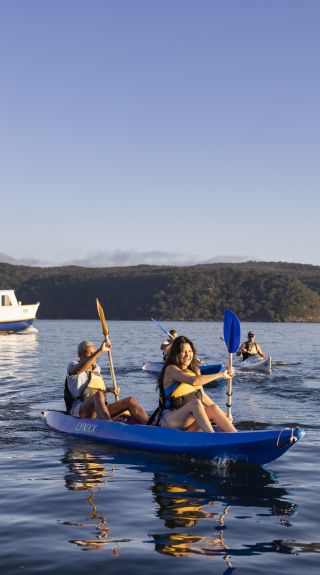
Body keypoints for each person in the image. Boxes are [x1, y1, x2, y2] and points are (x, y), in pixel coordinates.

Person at [154, 335, 237, 433]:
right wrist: (221, 374)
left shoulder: (195, 370)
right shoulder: (171, 369)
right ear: (176, 354)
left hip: (190, 422)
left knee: (213, 408)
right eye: (183, 351)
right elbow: (193, 381)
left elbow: (202, 396)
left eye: (190, 351)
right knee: (195, 403)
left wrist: (224, 415)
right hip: (171, 420)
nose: (188, 355)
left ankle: (236, 436)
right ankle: (212, 437)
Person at [66, 339, 149, 424]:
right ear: (80, 355)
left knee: (130, 400)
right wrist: (100, 350)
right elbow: (79, 370)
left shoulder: (96, 368)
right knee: (98, 394)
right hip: (81, 410)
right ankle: (109, 424)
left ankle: (150, 425)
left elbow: (92, 389)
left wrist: (109, 389)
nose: (94, 355)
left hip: (99, 409)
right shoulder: (73, 365)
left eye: (94, 352)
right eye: (89, 353)